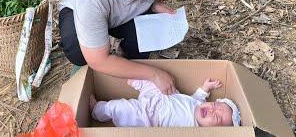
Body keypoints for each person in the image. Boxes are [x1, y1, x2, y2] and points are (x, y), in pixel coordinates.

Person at [58, 0, 178, 95]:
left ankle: (124, 54)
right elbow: (98, 61)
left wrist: (154, 4)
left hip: (122, 12)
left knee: (146, 38)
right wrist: (154, 74)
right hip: (83, 12)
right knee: (78, 53)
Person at [90, 78, 241, 127]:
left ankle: (97, 110)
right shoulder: (197, 104)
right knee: (155, 79)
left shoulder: (194, 129)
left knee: (121, 107)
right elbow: (199, 96)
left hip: (149, 115)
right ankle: (134, 80)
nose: (211, 110)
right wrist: (205, 87)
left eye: (215, 117)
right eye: (214, 105)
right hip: (162, 95)